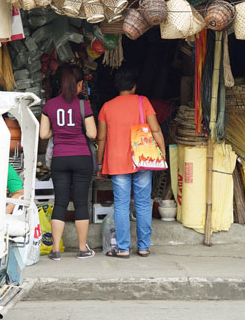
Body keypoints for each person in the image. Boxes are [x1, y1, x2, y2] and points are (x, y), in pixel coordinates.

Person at [96, 68, 166, 259]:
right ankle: (143, 247)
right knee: (143, 203)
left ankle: (123, 248)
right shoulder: (143, 102)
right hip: (142, 158)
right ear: (134, 86)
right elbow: (156, 130)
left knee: (121, 204)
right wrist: (162, 153)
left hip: (117, 160)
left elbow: (101, 138)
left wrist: (99, 162)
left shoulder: (107, 107)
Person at [40, 64, 97, 261]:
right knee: (80, 202)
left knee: (60, 202)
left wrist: (57, 130)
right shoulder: (83, 105)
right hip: (81, 158)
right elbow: (92, 133)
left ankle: (55, 250)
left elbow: (43, 134)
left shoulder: (50, 105)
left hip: (60, 159)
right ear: (78, 84)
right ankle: (82, 249)